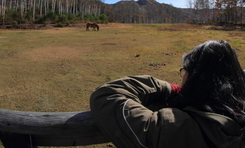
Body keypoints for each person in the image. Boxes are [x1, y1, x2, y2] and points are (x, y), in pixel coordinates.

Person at [90, 40, 245, 148]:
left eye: (185, 71)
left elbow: (108, 94)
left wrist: (169, 88)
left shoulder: (170, 129)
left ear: (193, 79)